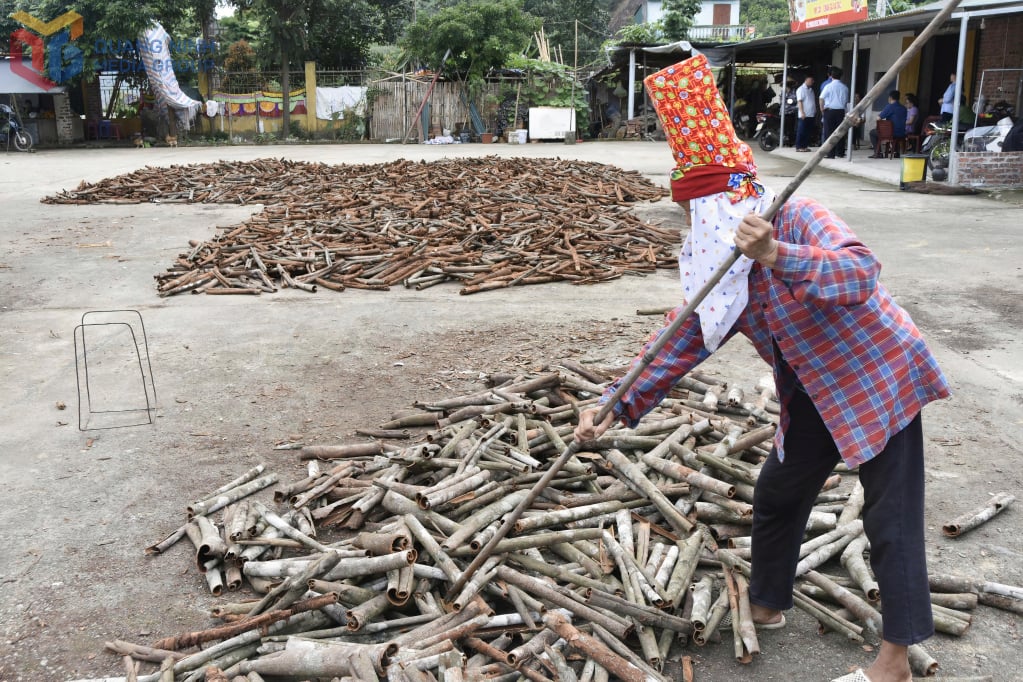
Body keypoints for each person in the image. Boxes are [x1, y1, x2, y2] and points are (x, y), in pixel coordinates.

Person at [582, 53, 951, 682]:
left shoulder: (797, 217)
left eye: (710, 207)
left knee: (890, 518)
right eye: (694, 215)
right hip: (809, 388)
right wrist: (613, 406)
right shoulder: (719, 272)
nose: (702, 226)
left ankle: (895, 662)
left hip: (876, 377)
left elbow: (861, 273)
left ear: (738, 195)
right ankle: (768, 603)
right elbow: (679, 342)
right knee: (779, 494)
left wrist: (779, 253)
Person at [819, 66, 849, 158]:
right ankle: (840, 152)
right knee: (840, 132)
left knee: (829, 132)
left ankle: (830, 153)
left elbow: (821, 98)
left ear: (831, 75)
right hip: (840, 111)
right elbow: (846, 101)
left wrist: (822, 109)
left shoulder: (828, 86)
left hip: (830, 111)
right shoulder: (845, 87)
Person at [868, 90, 908, 158]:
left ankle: (878, 153)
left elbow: (878, 118)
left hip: (892, 133)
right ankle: (896, 152)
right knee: (895, 129)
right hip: (902, 133)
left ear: (890, 98)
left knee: (872, 132)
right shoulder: (904, 108)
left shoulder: (890, 107)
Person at [794, 74, 816, 151]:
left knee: (807, 131)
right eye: (810, 81)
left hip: (811, 114)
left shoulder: (811, 90)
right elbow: (799, 101)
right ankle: (799, 146)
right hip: (804, 114)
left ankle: (804, 146)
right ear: (806, 80)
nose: (812, 82)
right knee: (801, 130)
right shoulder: (801, 89)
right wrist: (802, 112)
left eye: (812, 81)